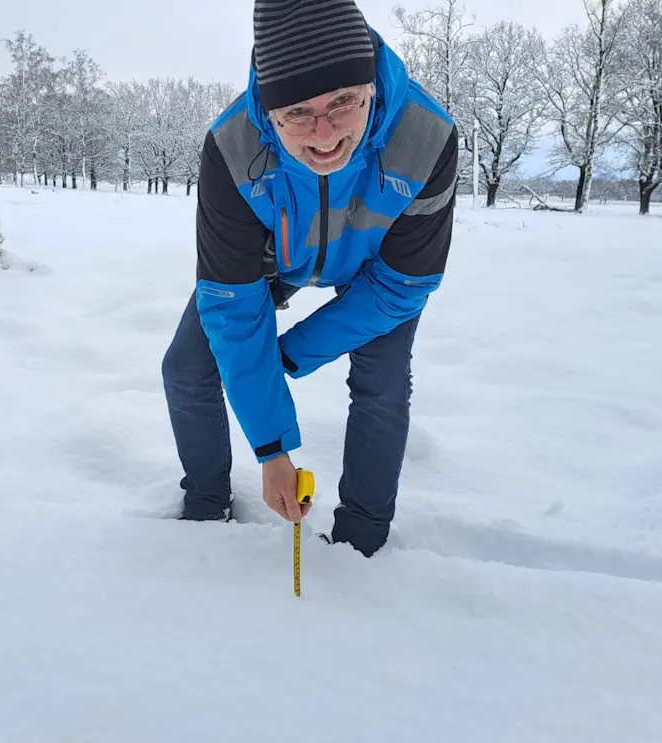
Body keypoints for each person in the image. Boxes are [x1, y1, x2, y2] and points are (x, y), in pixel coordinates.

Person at [161, 0, 458, 557]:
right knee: (186, 367)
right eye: (297, 112)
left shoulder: (427, 136)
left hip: (376, 274)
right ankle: (205, 507)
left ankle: (362, 539)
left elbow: (404, 287)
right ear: (267, 113)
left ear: (370, 86)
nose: (324, 136)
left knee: (383, 384)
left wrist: (289, 355)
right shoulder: (231, 147)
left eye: (343, 102)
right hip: (278, 261)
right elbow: (231, 304)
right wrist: (272, 450)